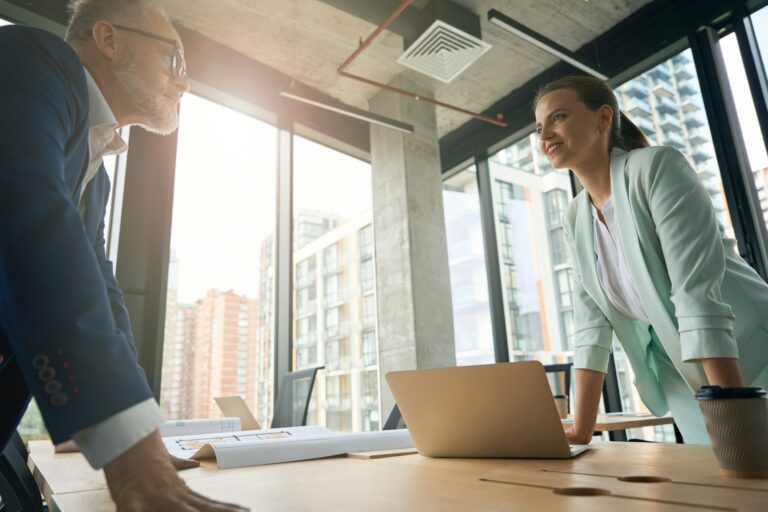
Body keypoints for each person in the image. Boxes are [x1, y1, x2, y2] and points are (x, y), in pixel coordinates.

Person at [0, 1, 246, 509]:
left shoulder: (96, 177)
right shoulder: (32, 62)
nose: (186, 83)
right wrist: (131, 456)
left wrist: (144, 436)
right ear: (110, 40)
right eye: (175, 60)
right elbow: (33, 227)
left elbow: (103, 292)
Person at [533, 75, 768, 444]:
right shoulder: (575, 217)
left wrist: (734, 415)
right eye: (539, 125)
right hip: (683, 380)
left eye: (558, 117)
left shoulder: (656, 168)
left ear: (603, 119)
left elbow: (696, 296)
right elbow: (591, 326)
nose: (544, 133)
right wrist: (580, 430)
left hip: (746, 357)